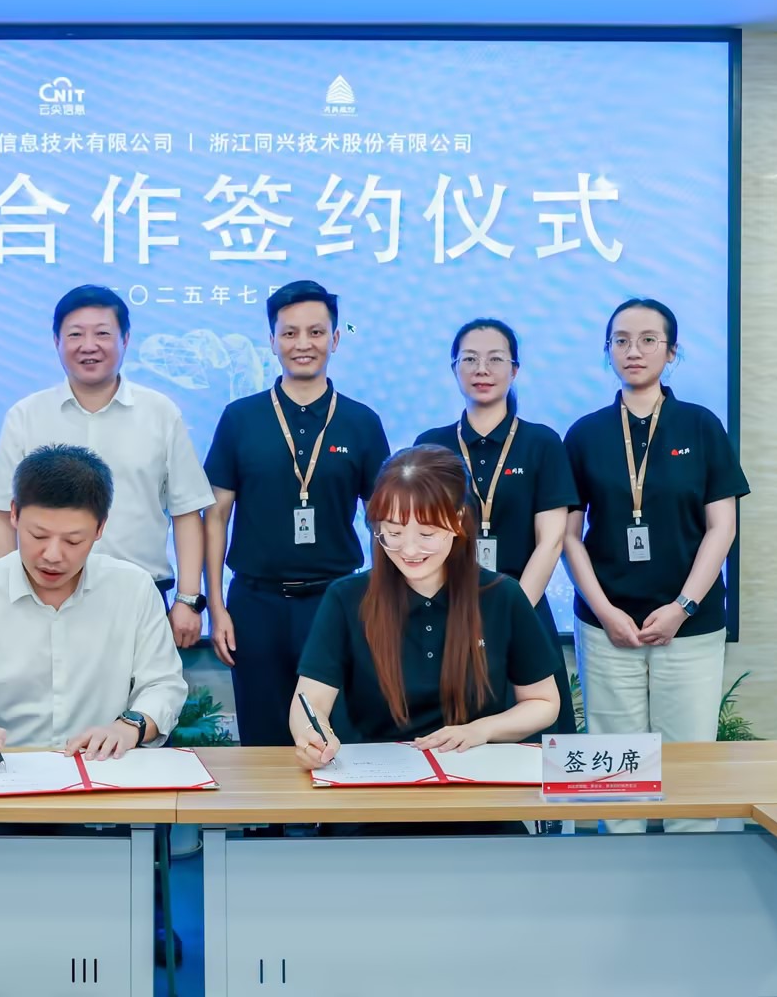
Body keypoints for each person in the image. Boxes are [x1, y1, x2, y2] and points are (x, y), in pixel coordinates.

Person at [290, 445, 561, 835]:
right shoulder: (347, 598)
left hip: (476, 794)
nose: (409, 550)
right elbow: (310, 700)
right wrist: (313, 737)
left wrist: (481, 730)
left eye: (427, 533)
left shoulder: (501, 596)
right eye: (393, 533)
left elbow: (543, 702)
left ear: (458, 521)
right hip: (370, 798)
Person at [562, 297, 749, 834]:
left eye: (648, 340)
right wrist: (605, 611)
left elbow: (722, 527)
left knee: (688, 765)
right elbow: (568, 537)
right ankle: (619, 869)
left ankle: (691, 870)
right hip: (607, 625)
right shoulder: (585, 433)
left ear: (672, 352)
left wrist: (682, 607)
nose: (634, 351)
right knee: (615, 771)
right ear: (608, 351)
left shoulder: (701, 426)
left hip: (690, 623)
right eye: (621, 340)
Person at [0, 444, 188, 766]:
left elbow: (163, 684)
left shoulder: (134, 589)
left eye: (73, 541)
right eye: (39, 536)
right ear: (14, 514)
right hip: (2, 770)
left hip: (102, 769)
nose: (53, 555)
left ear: (100, 528)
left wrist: (128, 728)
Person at [204, 280, 389, 746]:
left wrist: (380, 603)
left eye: (315, 332)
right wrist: (217, 607)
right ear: (272, 341)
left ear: (335, 339)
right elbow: (216, 517)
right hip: (255, 603)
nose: (302, 344)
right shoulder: (240, 418)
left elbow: (383, 522)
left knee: (334, 738)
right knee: (262, 741)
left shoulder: (362, 422)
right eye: (289, 333)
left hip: (335, 601)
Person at [0, 286, 213, 647]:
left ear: (125, 339)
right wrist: (0, 598)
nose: (88, 346)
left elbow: (186, 512)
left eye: (102, 333)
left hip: (141, 597)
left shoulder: (160, 413)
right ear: (56, 341)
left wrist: (188, 599)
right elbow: (0, 515)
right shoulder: (26, 415)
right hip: (44, 597)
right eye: (75, 335)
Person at [413, 318, 579, 736]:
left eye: (495, 359)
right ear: (454, 369)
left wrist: (511, 612)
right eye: (469, 360)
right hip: (447, 612)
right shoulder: (431, 444)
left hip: (525, 606)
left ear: (514, 369)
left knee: (534, 738)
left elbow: (551, 540)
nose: (482, 370)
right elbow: (419, 536)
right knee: (451, 738)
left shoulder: (541, 443)